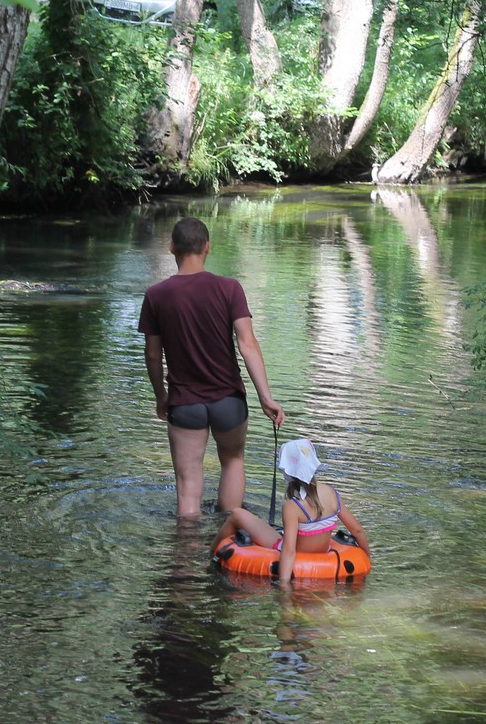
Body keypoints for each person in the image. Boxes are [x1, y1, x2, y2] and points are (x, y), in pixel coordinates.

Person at [139, 217, 285, 518]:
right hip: (228, 400)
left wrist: (160, 395)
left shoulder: (156, 295)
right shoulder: (229, 288)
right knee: (232, 461)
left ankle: (184, 555)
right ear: (207, 247)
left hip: (185, 403)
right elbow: (247, 344)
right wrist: (265, 397)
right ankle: (231, 542)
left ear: (171, 248)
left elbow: (153, 355)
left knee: (188, 482)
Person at [212, 439, 371, 584]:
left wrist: (284, 586)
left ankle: (211, 554)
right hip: (325, 552)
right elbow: (357, 530)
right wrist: (365, 559)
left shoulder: (292, 507)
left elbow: (288, 550)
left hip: (295, 552)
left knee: (237, 514)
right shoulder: (331, 493)